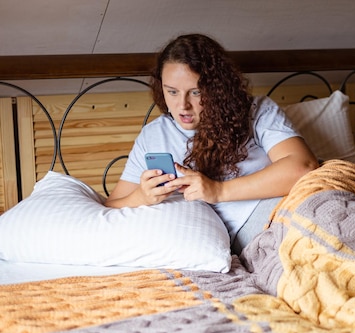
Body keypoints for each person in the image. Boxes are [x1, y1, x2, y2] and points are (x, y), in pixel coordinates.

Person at [105, 33, 319, 253]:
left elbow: (303, 167)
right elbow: (110, 206)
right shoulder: (153, 136)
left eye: (195, 92)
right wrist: (142, 196)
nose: (183, 105)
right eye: (172, 92)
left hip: (294, 201)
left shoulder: (256, 110)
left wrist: (218, 190)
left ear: (217, 88)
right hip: (254, 229)